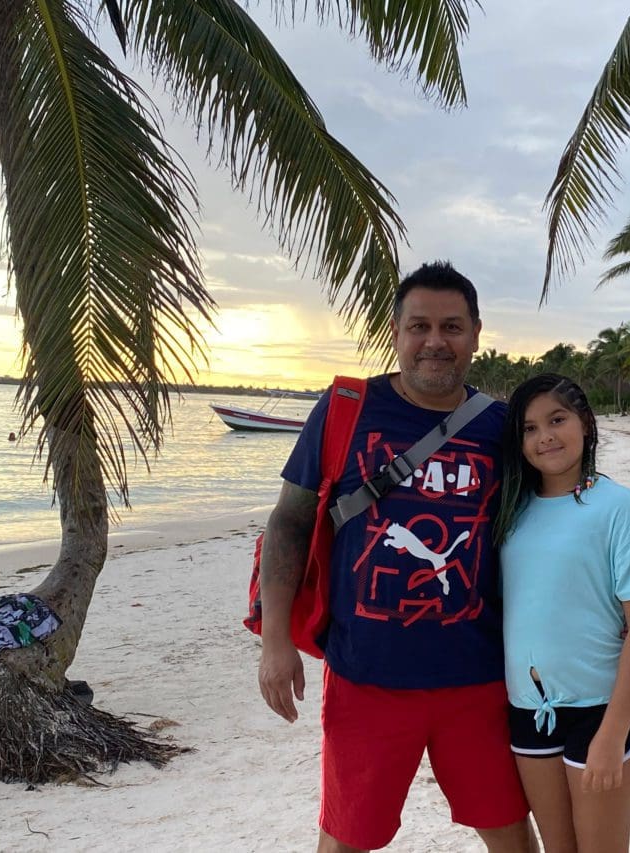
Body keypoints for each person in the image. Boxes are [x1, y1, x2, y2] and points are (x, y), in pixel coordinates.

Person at [257, 261, 535, 853]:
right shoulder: (346, 409)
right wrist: (275, 640)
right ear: (397, 330)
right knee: (348, 838)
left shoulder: (501, 427)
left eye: (452, 327)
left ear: (477, 334)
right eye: (420, 326)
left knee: (510, 833)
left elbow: (542, 533)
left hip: (479, 677)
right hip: (366, 675)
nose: (436, 342)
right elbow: (289, 521)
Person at [494, 373, 630, 853]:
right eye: (529, 428)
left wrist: (612, 734)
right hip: (530, 710)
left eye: (557, 419)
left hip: (601, 709)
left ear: (586, 424)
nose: (545, 436)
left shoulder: (618, 507)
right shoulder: (513, 509)